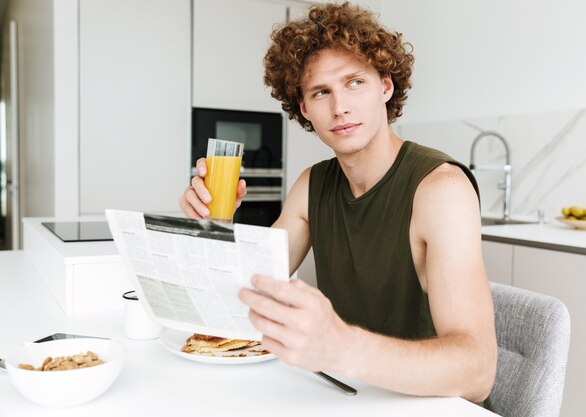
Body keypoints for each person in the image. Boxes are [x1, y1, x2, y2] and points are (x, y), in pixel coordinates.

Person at [180, 1, 497, 406]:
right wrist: (217, 222)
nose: (339, 107)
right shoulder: (313, 185)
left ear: (385, 86)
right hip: (352, 397)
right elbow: (244, 291)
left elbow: (478, 373)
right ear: (304, 110)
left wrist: (342, 346)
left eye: (354, 83)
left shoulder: (441, 189)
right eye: (321, 92)